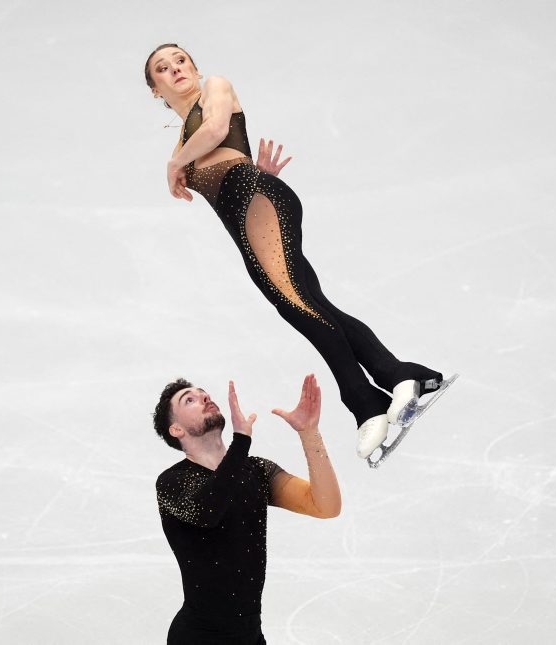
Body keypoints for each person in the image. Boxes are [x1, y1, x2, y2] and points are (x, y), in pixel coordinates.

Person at [144, 44, 453, 462]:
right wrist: (247, 169)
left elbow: (217, 130)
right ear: (156, 90)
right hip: (250, 213)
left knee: (297, 307)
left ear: (195, 68)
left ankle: (365, 402)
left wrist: (176, 165)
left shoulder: (214, 88)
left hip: (257, 202)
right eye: (162, 68)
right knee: (311, 304)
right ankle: (402, 375)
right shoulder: (182, 142)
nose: (175, 68)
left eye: (180, 60)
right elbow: (224, 159)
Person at [153, 374, 340, 644]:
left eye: (204, 393)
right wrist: (240, 441)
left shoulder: (257, 471)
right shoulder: (171, 482)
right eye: (189, 400)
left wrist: (309, 433)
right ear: (176, 429)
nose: (204, 397)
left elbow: (325, 506)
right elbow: (207, 511)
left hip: (250, 637)